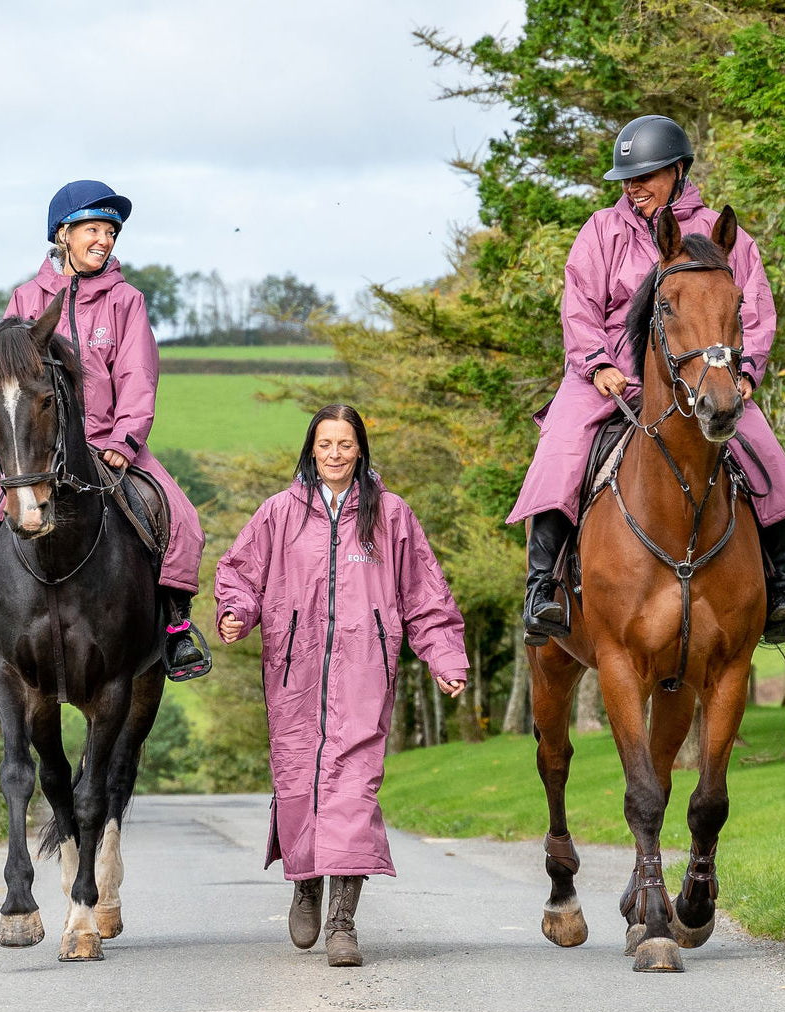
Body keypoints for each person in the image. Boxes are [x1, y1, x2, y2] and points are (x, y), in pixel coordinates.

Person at [507, 115, 785, 645]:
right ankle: (543, 588)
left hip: (703, 376)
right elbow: (580, 306)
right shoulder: (601, 231)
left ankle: (782, 584)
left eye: (647, 175)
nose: (634, 188)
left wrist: (747, 371)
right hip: (605, 375)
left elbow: (754, 313)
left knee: (768, 453)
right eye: (628, 179)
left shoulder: (727, 238)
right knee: (561, 448)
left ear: (678, 171)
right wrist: (597, 362)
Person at [215, 404, 468, 966]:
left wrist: (444, 656)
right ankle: (305, 884)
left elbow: (425, 595)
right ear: (311, 450)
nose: (334, 454)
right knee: (301, 782)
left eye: (345, 444)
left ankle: (344, 924)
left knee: (355, 790)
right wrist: (237, 611)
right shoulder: (279, 513)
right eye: (324, 444)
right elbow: (239, 572)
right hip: (294, 673)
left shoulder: (391, 516)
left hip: (364, 672)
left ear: (360, 451)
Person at [0, 179, 210, 679]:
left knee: (180, 514)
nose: (103, 240)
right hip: (36, 447)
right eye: (93, 229)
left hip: (109, 444)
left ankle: (176, 627)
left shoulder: (127, 301)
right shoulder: (25, 297)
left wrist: (126, 440)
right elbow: (6, 378)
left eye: (110, 232)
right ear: (62, 234)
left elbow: (138, 375)